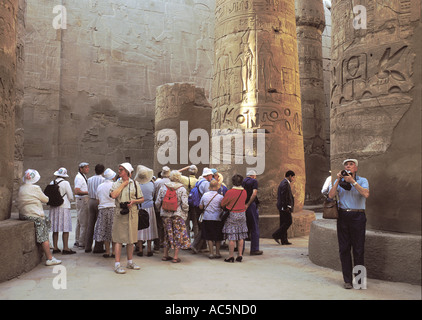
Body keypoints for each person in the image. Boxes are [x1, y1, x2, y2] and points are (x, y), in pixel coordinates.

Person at [328, 159, 369, 289]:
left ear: (356, 168)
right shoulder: (338, 181)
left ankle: (360, 281)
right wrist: (337, 181)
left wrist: (353, 182)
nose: (348, 166)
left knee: (358, 249)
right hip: (343, 216)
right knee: (344, 249)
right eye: (346, 165)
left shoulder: (363, 180)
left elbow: (366, 194)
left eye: (351, 164)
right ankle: (347, 280)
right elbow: (330, 195)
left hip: (358, 216)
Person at [17, 169, 61, 266]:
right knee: (44, 234)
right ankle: (49, 258)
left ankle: (47, 247)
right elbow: (45, 199)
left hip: (23, 214)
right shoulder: (35, 188)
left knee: (47, 221)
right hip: (34, 215)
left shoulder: (22, 187)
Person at [110, 162, 144, 274]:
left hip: (132, 213)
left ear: (128, 172)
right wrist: (123, 185)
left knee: (131, 239)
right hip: (120, 213)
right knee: (118, 239)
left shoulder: (135, 184)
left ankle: (130, 262)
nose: (119, 171)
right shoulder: (116, 184)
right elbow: (113, 195)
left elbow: (142, 198)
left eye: (121, 170)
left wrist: (134, 201)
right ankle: (117, 264)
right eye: (119, 169)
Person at [155, 170, 190, 263]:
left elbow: (158, 201)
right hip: (177, 215)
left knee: (167, 233)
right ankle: (175, 257)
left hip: (165, 214)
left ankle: (165, 255)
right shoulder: (182, 189)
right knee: (177, 234)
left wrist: (159, 210)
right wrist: (185, 211)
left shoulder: (163, 187)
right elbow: (185, 204)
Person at [221, 174, 248, 263]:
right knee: (241, 236)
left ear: (233, 182)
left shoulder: (230, 192)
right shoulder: (244, 191)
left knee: (232, 236)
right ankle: (240, 255)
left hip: (232, 214)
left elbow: (223, 204)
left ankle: (231, 256)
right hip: (242, 214)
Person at [48, 167, 75, 255]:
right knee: (65, 228)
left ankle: (55, 247)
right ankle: (66, 248)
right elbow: (70, 196)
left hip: (53, 207)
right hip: (64, 206)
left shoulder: (52, 182)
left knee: (55, 229)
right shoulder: (66, 183)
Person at [134, 165, 158, 257]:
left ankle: (140, 249)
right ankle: (149, 249)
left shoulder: (136, 185)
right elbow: (154, 195)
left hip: (139, 207)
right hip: (150, 207)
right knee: (149, 228)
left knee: (139, 228)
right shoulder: (152, 184)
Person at [94, 168, 117, 258]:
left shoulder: (100, 186)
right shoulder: (115, 185)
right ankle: (114, 251)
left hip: (103, 209)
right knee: (113, 231)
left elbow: (98, 200)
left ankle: (107, 251)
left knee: (104, 230)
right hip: (113, 209)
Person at [190, 168, 214, 253]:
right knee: (204, 227)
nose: (212, 177)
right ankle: (195, 245)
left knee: (201, 226)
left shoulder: (199, 182)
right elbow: (208, 196)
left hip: (198, 206)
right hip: (203, 207)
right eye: (211, 175)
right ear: (207, 176)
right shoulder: (206, 184)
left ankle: (201, 246)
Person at [199, 179, 224, 259]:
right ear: (217, 187)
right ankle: (217, 252)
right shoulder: (220, 197)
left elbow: (201, 206)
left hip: (207, 217)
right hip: (217, 218)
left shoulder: (205, 195)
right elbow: (222, 206)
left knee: (209, 236)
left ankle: (211, 253)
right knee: (218, 236)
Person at [272, 170, 296, 245]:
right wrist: (287, 207)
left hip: (282, 207)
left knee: (283, 223)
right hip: (284, 207)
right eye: (293, 177)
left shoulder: (283, 183)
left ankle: (284, 240)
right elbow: (284, 196)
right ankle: (276, 235)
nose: (293, 179)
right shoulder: (285, 184)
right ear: (289, 176)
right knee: (289, 221)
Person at [86, 164, 105, 253]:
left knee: (90, 224)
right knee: (99, 224)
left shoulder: (89, 179)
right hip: (99, 201)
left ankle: (88, 246)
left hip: (91, 201)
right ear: (103, 171)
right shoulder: (103, 180)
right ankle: (98, 246)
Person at [242, 170, 263, 255]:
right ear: (253, 176)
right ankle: (254, 249)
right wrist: (248, 204)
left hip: (242, 206)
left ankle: (241, 248)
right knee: (254, 226)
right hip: (250, 205)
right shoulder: (254, 181)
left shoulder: (243, 181)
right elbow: (254, 194)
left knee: (243, 227)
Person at [153, 166, 171, 250]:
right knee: (168, 226)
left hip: (159, 207)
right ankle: (167, 243)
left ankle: (158, 244)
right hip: (170, 208)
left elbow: (154, 195)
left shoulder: (157, 183)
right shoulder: (172, 182)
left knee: (158, 226)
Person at [179, 165, 198, 237]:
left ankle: (187, 242)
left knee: (186, 223)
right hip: (194, 204)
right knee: (195, 223)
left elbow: (174, 173)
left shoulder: (184, 179)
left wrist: (185, 167)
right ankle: (196, 242)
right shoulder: (198, 181)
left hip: (185, 202)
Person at [74, 162, 89, 249]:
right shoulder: (79, 178)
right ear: (81, 169)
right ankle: (82, 242)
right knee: (84, 222)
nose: (87, 169)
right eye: (86, 168)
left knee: (80, 221)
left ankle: (78, 240)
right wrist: (89, 192)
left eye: (88, 167)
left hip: (82, 200)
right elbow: (77, 191)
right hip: (82, 200)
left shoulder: (82, 176)